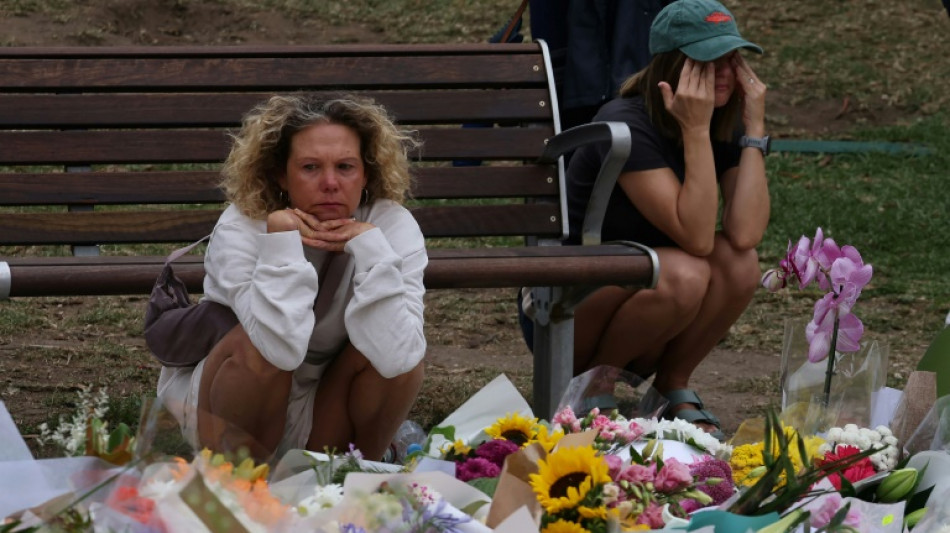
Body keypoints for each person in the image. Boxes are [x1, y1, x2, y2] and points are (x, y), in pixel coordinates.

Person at [541, 0, 770, 439]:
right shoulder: (625, 124)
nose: (725, 72)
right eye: (708, 60)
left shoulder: (719, 119)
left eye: (731, 58)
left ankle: (672, 385)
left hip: (655, 298)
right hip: (570, 304)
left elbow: (745, 232)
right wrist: (696, 131)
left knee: (740, 263)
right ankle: (595, 388)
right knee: (686, 270)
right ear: (672, 65)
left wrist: (753, 130)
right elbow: (699, 237)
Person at [156, 94, 427, 462]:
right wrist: (281, 242)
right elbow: (277, 348)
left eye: (345, 167)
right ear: (281, 173)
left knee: (400, 346)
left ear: (367, 172)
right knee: (258, 345)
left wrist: (371, 251)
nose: (330, 183)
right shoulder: (243, 224)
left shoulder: (391, 227)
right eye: (311, 167)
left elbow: (399, 361)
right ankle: (238, 488)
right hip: (230, 403)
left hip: (323, 403)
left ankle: (347, 482)